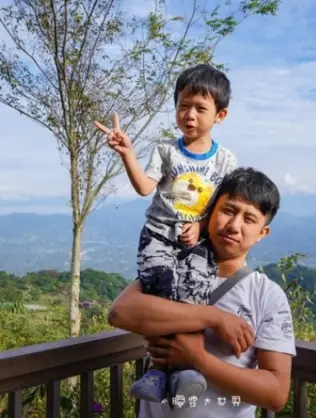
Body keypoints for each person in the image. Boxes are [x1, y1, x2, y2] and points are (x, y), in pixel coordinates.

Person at [94, 63, 239, 403]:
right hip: (158, 236)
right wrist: (127, 153)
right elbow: (145, 187)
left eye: (200, 108)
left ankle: (187, 368)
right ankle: (158, 369)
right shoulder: (166, 151)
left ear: (220, 115)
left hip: (198, 245)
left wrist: (201, 226)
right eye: (183, 105)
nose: (190, 115)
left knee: (193, 297)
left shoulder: (225, 161)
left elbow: (223, 207)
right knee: (160, 298)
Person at [108, 167, 295, 417]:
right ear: (210, 211)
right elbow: (121, 313)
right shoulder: (172, 265)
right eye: (228, 210)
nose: (234, 225)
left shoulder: (267, 295)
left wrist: (197, 359)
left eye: (249, 219)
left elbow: (276, 394)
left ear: (263, 233)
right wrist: (214, 317)